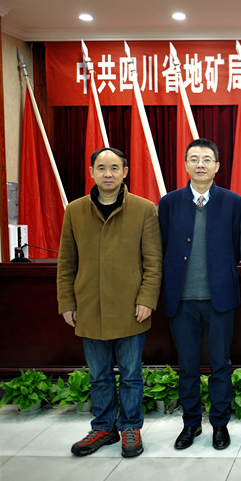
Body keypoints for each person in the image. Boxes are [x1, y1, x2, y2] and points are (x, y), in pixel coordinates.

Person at [58, 147, 162, 458]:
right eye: (101, 168)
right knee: (99, 375)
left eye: (114, 168)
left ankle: (130, 427)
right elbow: (67, 262)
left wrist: (147, 299)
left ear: (125, 172)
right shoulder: (75, 210)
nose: (108, 173)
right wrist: (67, 301)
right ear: (91, 172)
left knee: (131, 375)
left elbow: (153, 262)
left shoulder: (144, 209)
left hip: (131, 308)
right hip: (89, 306)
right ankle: (103, 427)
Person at [158, 138, 241, 451]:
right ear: (185, 165)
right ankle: (191, 423)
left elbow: (238, 246)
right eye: (194, 159)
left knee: (220, 364)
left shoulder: (233, 202)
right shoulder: (169, 203)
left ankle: (220, 424)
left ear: (217, 166)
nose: (201, 164)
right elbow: (162, 245)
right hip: (181, 300)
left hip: (220, 299)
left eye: (207, 159)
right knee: (188, 367)